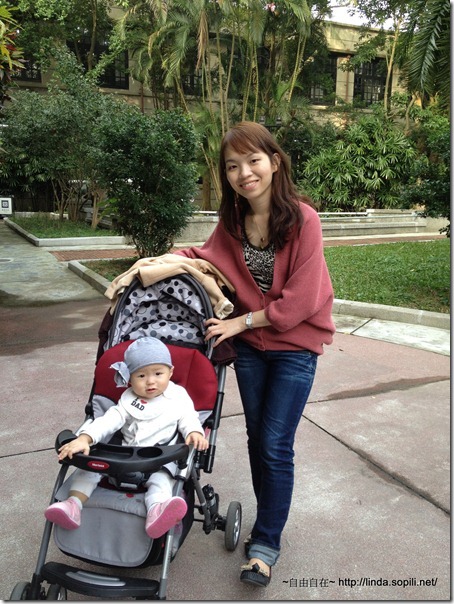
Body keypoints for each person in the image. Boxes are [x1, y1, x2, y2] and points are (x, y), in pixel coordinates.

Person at [174, 121, 335, 587]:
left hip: (294, 349)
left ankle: (264, 545)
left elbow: (298, 303)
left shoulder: (304, 219)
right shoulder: (232, 224)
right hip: (250, 352)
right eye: (232, 166)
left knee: (275, 444)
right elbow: (203, 255)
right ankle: (269, 523)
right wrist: (159, 263)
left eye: (253, 160)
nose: (244, 173)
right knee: (256, 440)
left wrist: (240, 323)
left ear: (274, 162)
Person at [45, 337, 209, 539]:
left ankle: (157, 511)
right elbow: (108, 421)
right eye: (141, 375)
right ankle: (73, 505)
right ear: (130, 379)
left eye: (158, 374)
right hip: (123, 457)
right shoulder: (128, 400)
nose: (150, 381)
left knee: (163, 481)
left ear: (171, 372)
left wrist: (194, 432)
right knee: (87, 471)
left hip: (159, 459)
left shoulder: (178, 396)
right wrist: (85, 438)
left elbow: (188, 417)